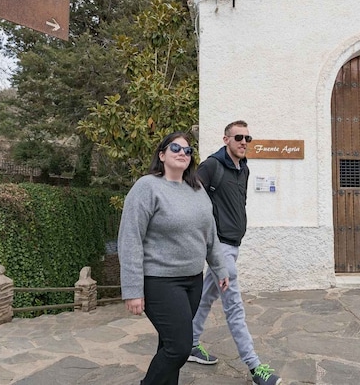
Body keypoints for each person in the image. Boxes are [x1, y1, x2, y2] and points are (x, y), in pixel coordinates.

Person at [118, 132, 230, 385]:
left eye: (188, 151)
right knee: (179, 348)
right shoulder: (147, 187)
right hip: (160, 281)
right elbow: (130, 239)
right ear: (162, 155)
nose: (182, 153)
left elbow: (209, 232)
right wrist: (133, 290)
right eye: (176, 148)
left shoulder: (197, 188)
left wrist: (220, 268)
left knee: (168, 342)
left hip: (193, 280)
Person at [188, 120, 282, 385]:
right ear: (225, 139)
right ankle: (255, 368)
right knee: (234, 307)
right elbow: (192, 199)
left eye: (247, 138)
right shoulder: (212, 166)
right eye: (238, 137)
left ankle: (190, 344)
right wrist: (208, 239)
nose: (243, 142)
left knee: (206, 298)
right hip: (220, 249)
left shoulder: (244, 168)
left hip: (233, 244)